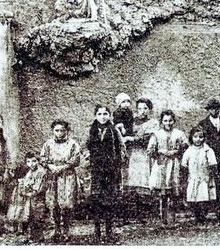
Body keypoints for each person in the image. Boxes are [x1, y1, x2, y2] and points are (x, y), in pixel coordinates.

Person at [86, 104, 125, 243]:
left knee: (109, 199)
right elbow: (88, 148)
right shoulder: (92, 131)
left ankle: (109, 230)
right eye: (100, 114)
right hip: (96, 171)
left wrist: (118, 164)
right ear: (96, 116)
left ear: (109, 116)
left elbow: (121, 147)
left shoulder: (114, 131)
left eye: (105, 114)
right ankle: (97, 230)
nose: (103, 117)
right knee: (96, 199)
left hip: (111, 170)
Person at [40, 119, 81, 242]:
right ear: (53, 131)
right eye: (56, 130)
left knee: (67, 204)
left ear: (66, 131)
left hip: (67, 176)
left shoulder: (72, 144)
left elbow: (76, 159)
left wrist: (63, 167)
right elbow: (42, 158)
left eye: (62, 130)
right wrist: (50, 166)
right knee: (54, 204)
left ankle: (66, 230)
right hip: (53, 176)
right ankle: (57, 229)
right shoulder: (48, 144)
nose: (59, 133)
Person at [147, 109, 189, 227]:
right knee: (163, 193)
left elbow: (185, 147)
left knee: (174, 192)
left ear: (174, 121)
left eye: (170, 120)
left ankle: (172, 219)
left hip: (174, 163)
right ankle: (163, 219)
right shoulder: (157, 134)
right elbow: (150, 150)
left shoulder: (179, 134)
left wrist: (177, 151)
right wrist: (159, 152)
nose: (168, 123)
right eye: (165, 120)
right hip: (162, 165)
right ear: (161, 121)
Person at [123, 97, 160, 220]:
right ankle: (134, 213)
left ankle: (148, 213)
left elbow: (148, 139)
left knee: (146, 180)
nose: (142, 111)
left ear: (149, 110)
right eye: (139, 108)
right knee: (133, 181)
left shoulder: (153, 123)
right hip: (133, 155)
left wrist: (131, 139)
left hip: (145, 156)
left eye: (145, 108)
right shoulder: (131, 122)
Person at [197, 98, 220, 219]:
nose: (214, 111)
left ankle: (219, 211)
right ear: (209, 110)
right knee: (206, 184)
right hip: (207, 160)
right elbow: (198, 142)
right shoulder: (203, 124)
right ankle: (204, 212)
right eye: (212, 109)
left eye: (216, 108)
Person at [7, 152, 47, 243]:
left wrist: (30, 192)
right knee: (29, 217)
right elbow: (25, 182)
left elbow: (38, 187)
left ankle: (39, 237)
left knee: (37, 217)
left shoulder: (41, 172)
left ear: (38, 161)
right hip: (29, 198)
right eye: (28, 162)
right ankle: (30, 236)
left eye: (34, 161)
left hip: (37, 199)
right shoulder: (29, 172)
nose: (31, 164)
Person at [181, 126, 218, 223]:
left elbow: (213, 164)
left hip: (204, 177)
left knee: (204, 197)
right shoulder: (189, 151)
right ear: (191, 138)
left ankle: (203, 216)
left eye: (201, 137)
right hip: (193, 177)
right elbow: (184, 164)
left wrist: (211, 175)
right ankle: (196, 216)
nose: (198, 139)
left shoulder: (207, 150)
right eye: (195, 137)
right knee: (193, 197)